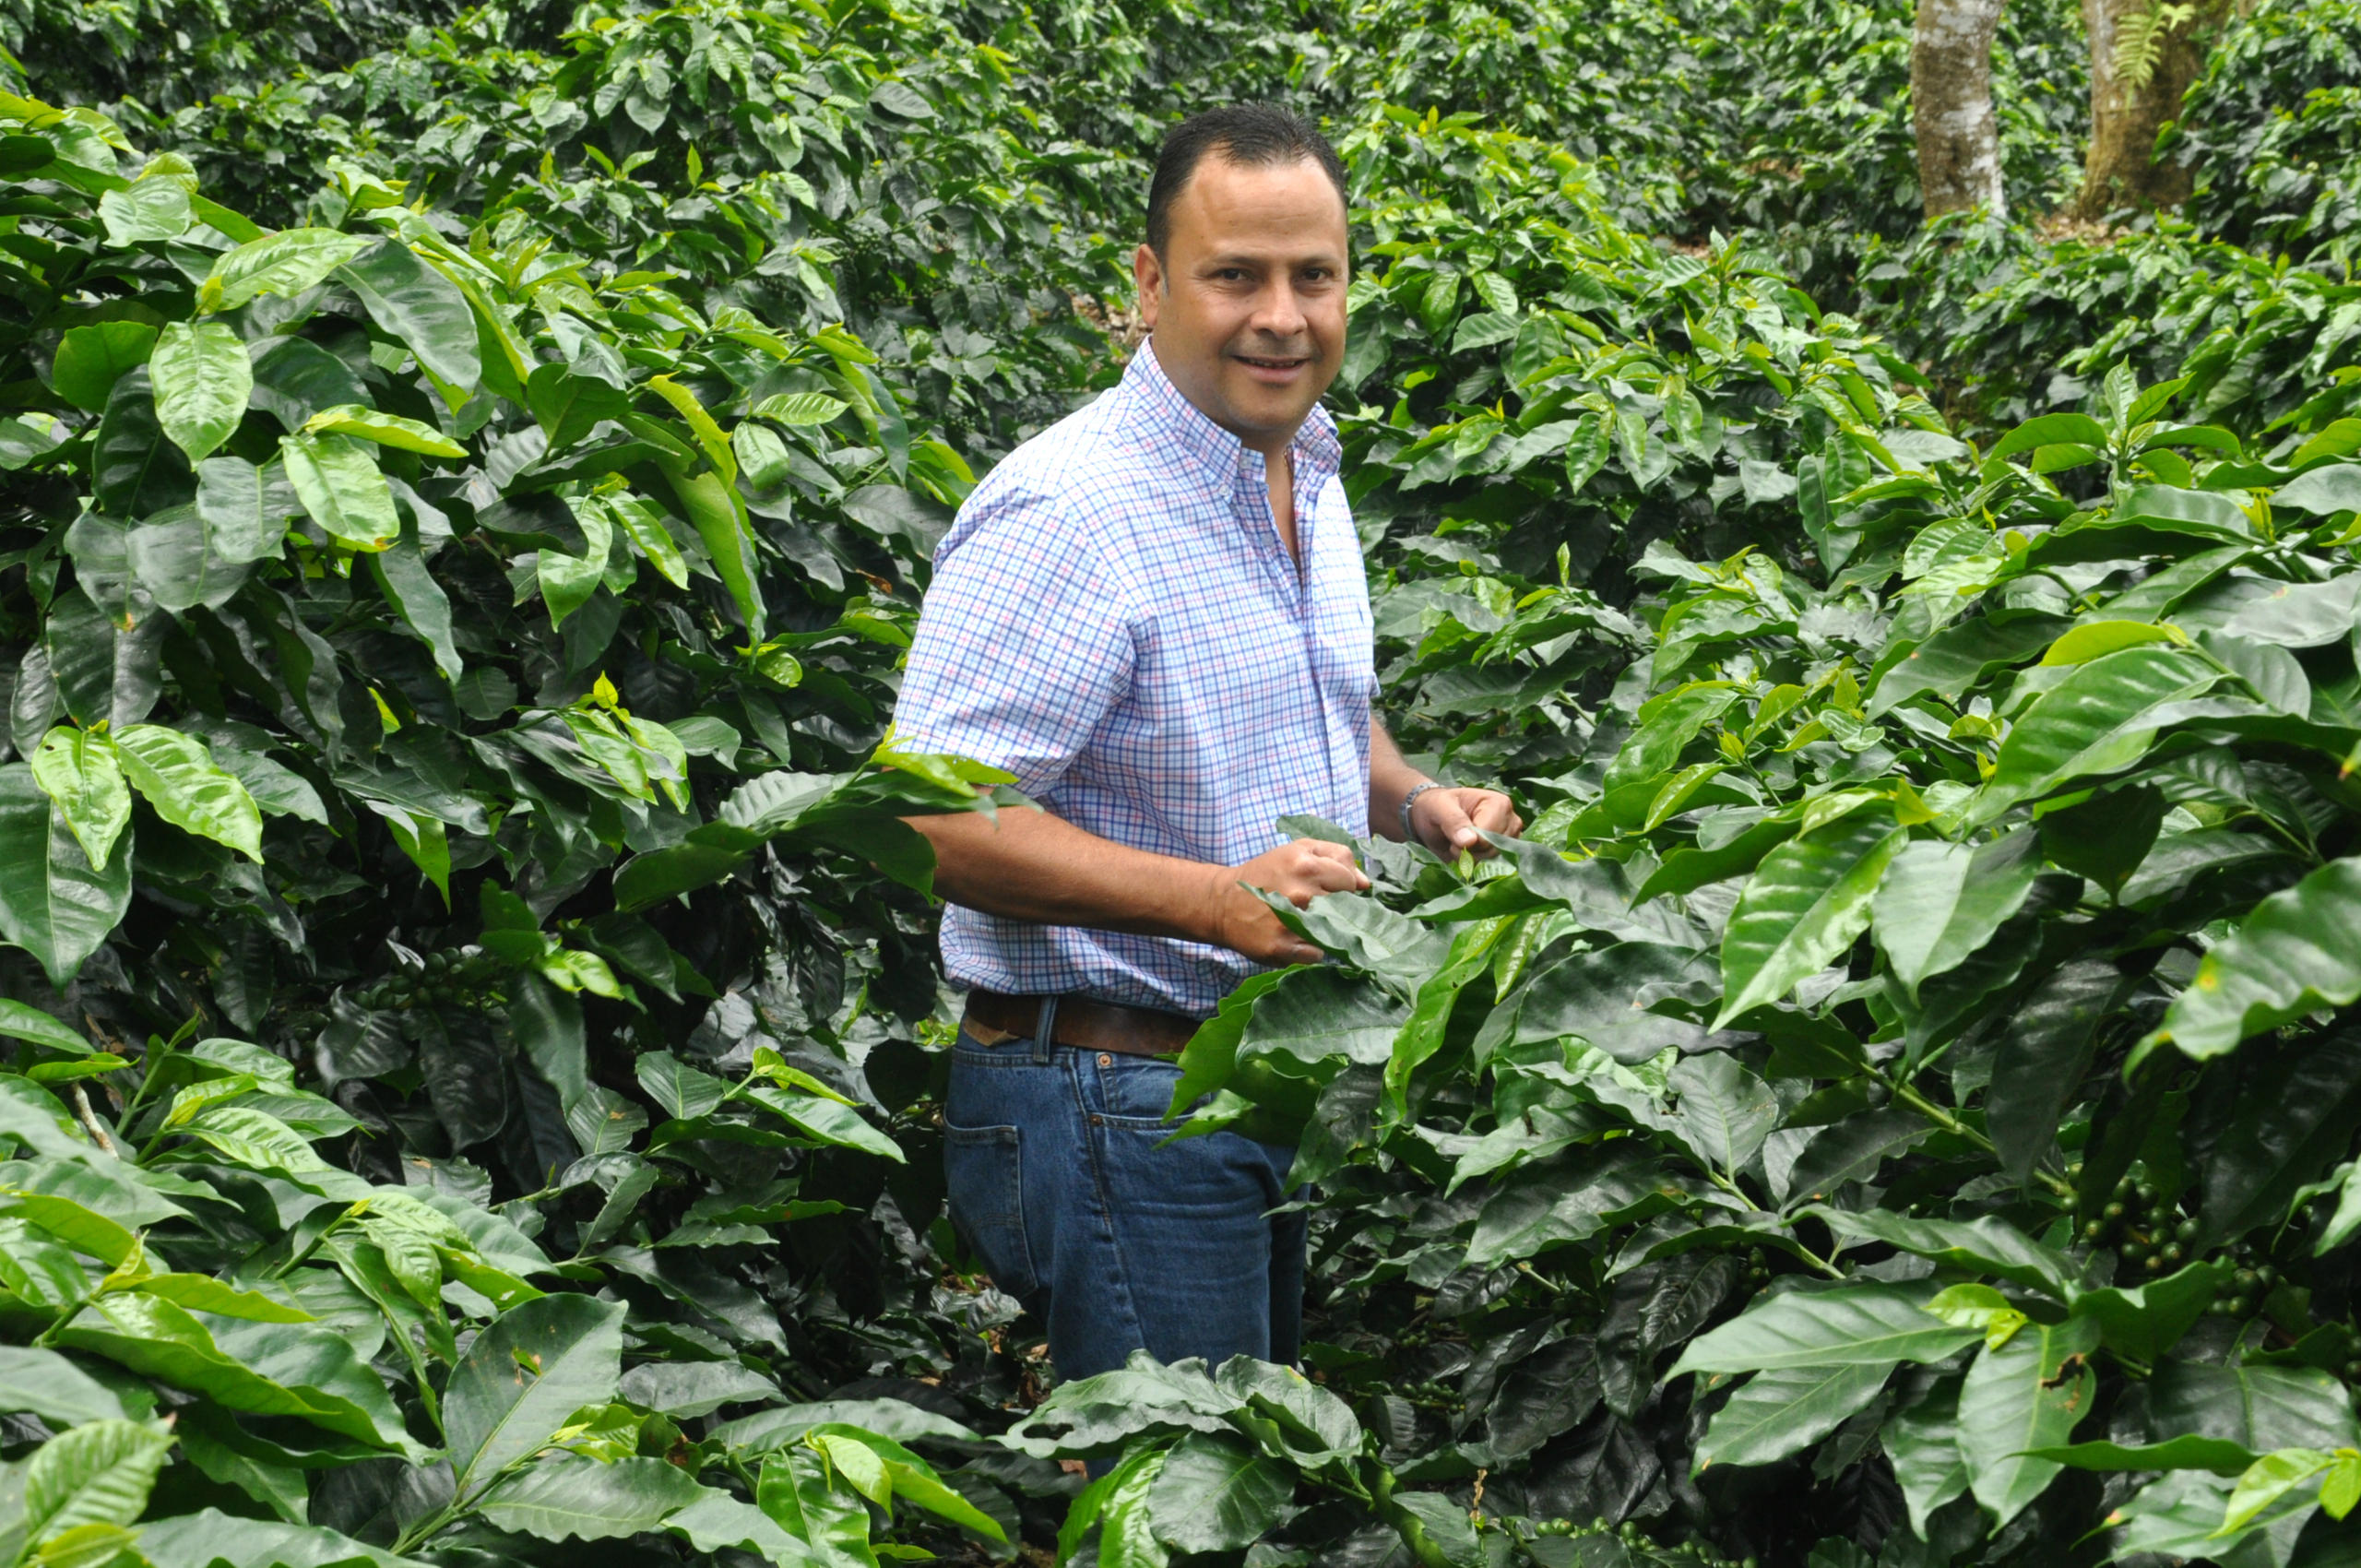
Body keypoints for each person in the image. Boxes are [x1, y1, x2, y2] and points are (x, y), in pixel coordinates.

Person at [893, 103, 1521, 1386]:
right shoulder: (1071, 510)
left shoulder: (1304, 466)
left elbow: (1315, 709)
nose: (1280, 317)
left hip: (1239, 1083)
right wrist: (1218, 904)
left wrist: (1415, 806)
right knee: (1189, 1499)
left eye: (1313, 277)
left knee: (1240, 1473)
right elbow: (932, 817)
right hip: (1115, 1093)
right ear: (1149, 282)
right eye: (1235, 275)